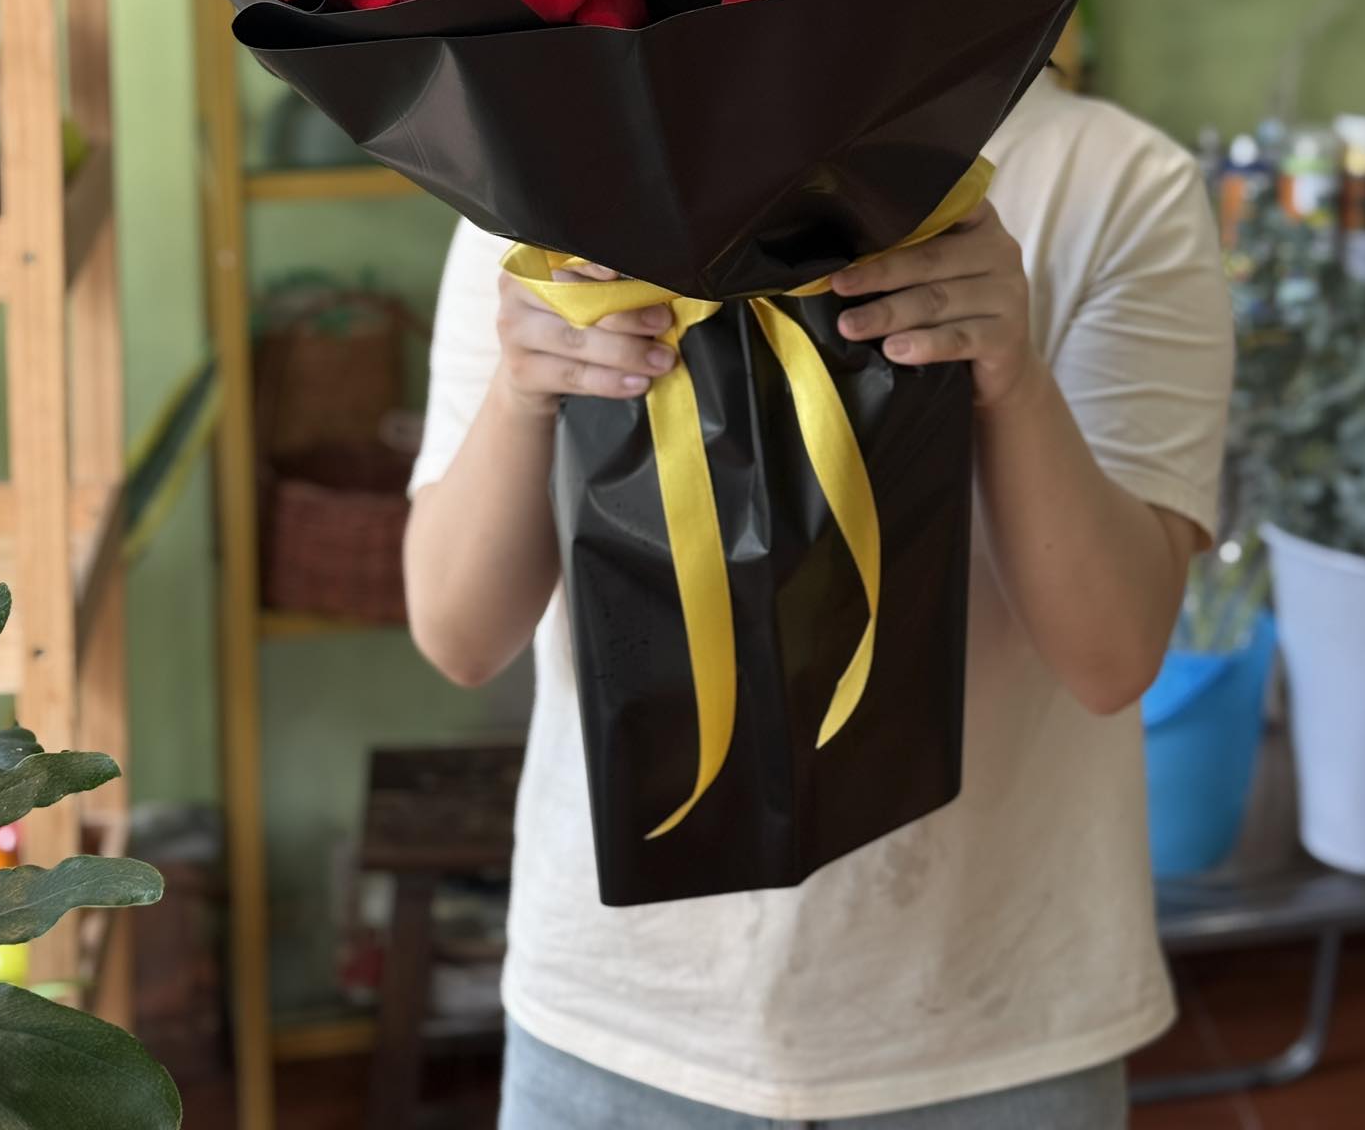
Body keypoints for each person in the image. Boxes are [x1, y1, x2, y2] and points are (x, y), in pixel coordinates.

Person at [405, 64, 1234, 1130]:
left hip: (994, 1025)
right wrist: (524, 390)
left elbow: (1114, 657)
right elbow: (460, 633)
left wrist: (1014, 376)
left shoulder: (1114, 180)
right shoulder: (551, 178)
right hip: (621, 1021)